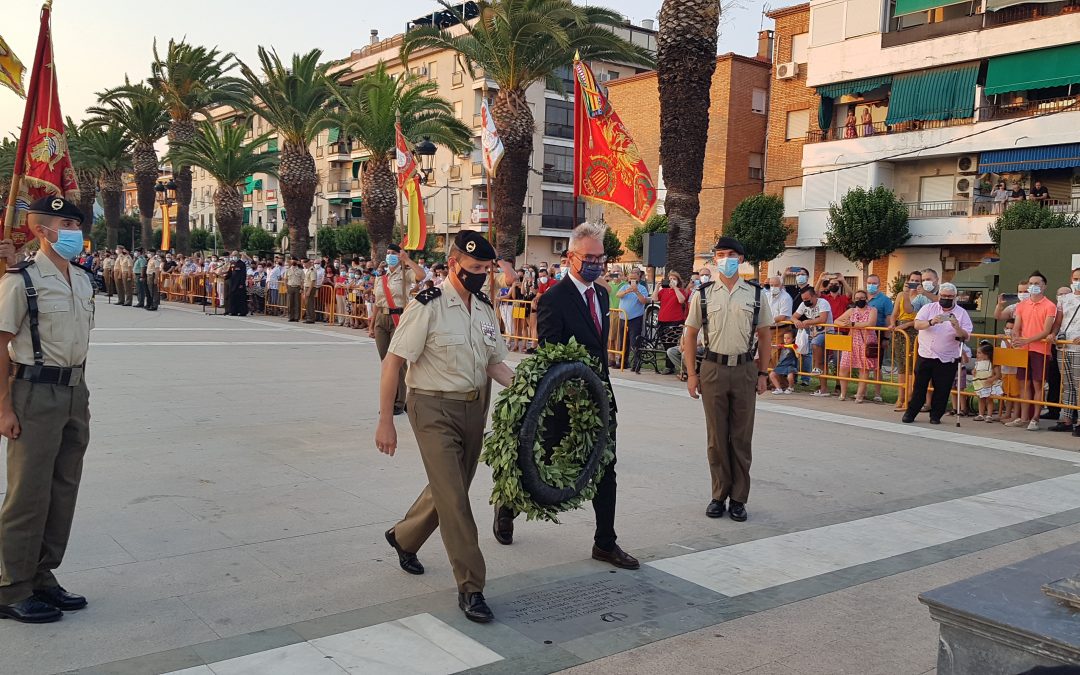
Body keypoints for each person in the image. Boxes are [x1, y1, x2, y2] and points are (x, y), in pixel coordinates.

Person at [376, 231, 514, 624]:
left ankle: (404, 537)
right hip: (432, 407)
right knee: (455, 498)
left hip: (475, 407)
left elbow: (494, 363)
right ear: (454, 264)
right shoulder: (427, 306)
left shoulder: (485, 308)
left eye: (487, 269)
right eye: (475, 269)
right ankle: (472, 587)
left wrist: (529, 391)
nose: (483, 275)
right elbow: (393, 362)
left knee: (450, 487)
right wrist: (386, 420)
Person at [493, 223, 640, 570]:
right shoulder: (554, 299)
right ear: (571, 257)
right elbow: (549, 353)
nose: (595, 263)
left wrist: (600, 390)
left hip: (600, 399)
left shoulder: (602, 294)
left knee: (606, 467)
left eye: (599, 257)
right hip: (564, 402)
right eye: (588, 257)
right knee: (539, 460)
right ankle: (506, 508)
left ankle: (605, 542)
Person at [0, 197, 95, 623]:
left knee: (62, 489)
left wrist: (80, 392)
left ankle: (42, 576)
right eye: (64, 222)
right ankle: (10, 587)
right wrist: (3, 406)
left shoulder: (80, 279)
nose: (74, 230)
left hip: (74, 392)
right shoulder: (20, 280)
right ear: (41, 229)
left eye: (77, 222)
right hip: (33, 393)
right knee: (28, 494)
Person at [684, 236, 772, 522]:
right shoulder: (704, 294)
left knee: (741, 437)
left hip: (745, 368)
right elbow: (691, 334)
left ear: (742, 259)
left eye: (732, 254)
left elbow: (766, 335)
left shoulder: (756, 294)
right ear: (715, 260)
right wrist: (692, 374)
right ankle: (718, 495)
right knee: (716, 438)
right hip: (713, 368)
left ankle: (738, 499)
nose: (726, 259)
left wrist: (763, 373)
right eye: (721, 254)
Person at [903, 283, 972, 424]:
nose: (946, 298)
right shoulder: (928, 308)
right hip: (926, 354)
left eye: (949, 296)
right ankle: (911, 413)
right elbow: (917, 324)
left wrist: (956, 326)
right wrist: (931, 321)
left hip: (947, 357)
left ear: (955, 297)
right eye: (943, 296)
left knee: (942, 388)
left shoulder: (961, 313)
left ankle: (935, 416)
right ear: (939, 295)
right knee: (919, 387)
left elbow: (965, 335)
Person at [372, 244, 423, 415]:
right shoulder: (381, 277)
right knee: (385, 362)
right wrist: (372, 324)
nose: (389, 256)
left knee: (397, 363)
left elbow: (421, 276)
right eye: (387, 253)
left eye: (393, 253)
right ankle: (392, 398)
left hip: (398, 318)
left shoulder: (405, 274)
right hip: (381, 319)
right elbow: (377, 303)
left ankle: (399, 401)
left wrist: (407, 260)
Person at [1008, 272, 1058, 431]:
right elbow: (1017, 326)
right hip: (1023, 349)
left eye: (1037, 283)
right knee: (1023, 384)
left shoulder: (1049, 305)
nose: (1033, 286)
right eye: (1031, 283)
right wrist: (1015, 336)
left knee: (1038, 385)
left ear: (1044, 286)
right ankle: (1023, 417)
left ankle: (1035, 418)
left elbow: (1046, 331)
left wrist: (1027, 340)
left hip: (1040, 350)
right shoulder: (1022, 305)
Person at [835, 289, 878, 403]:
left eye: (862, 298)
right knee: (844, 366)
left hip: (867, 341)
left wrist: (853, 324)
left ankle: (860, 395)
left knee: (864, 369)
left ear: (866, 298)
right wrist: (846, 324)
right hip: (852, 341)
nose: (860, 300)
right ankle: (843, 393)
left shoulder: (872, 310)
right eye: (857, 298)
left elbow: (870, 323)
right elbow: (837, 321)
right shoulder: (851, 311)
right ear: (854, 299)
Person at [792, 286, 832, 394]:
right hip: (813, 333)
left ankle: (816, 365)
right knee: (821, 361)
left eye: (807, 299)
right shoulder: (803, 304)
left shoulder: (823, 303)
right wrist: (796, 321)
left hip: (826, 332)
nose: (805, 301)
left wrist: (807, 322)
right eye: (803, 300)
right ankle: (823, 388)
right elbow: (794, 316)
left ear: (814, 296)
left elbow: (823, 319)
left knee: (815, 344)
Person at [1054, 268, 1080, 435]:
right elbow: (1058, 321)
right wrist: (1053, 334)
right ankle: (1066, 418)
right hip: (1063, 345)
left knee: (1079, 384)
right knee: (1067, 384)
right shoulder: (1064, 299)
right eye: (1076, 278)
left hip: (1078, 348)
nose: (1077, 281)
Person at [892, 271, 923, 411]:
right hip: (900, 330)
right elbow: (894, 314)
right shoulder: (901, 295)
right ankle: (900, 396)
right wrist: (893, 324)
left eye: (917, 281)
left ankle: (910, 396)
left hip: (913, 330)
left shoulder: (921, 297)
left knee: (912, 365)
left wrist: (907, 325)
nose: (914, 283)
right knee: (901, 364)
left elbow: (918, 318)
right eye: (912, 280)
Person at [865, 274, 894, 402]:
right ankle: (863, 391)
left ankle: (877, 393)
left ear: (879, 284)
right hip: (863, 334)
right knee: (863, 365)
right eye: (869, 282)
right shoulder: (863, 297)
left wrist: (886, 338)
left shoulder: (885, 300)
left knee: (877, 366)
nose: (871, 285)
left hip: (878, 333)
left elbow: (889, 319)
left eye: (874, 283)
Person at [653, 270, 689, 374]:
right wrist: (657, 287)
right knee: (665, 343)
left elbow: (681, 300)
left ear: (678, 280)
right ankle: (670, 366)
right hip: (662, 320)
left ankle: (669, 366)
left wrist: (675, 288)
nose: (672, 281)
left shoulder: (681, 291)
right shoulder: (663, 291)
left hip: (675, 320)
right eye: (670, 279)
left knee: (671, 343)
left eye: (674, 279)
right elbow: (654, 299)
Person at [617, 268, 650, 366]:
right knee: (623, 341)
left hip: (635, 318)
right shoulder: (624, 287)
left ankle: (636, 363)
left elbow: (644, 301)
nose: (632, 281)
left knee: (634, 341)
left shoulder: (642, 288)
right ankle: (623, 362)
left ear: (638, 279)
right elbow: (618, 295)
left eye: (634, 279)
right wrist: (627, 291)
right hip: (623, 318)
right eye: (631, 278)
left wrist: (636, 291)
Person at [972, 343, 1002, 422]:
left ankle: (989, 415)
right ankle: (981, 414)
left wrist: (991, 379)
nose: (977, 354)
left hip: (989, 384)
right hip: (980, 383)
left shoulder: (993, 364)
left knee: (989, 400)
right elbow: (975, 370)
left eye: (979, 353)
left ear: (986, 354)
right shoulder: (978, 362)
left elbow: (998, 375)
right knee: (981, 399)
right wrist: (974, 372)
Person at [770, 327, 798, 394]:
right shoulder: (783, 345)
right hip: (781, 364)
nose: (786, 340)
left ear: (793, 339)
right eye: (785, 338)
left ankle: (791, 387)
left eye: (788, 338)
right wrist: (772, 346)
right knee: (772, 375)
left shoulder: (794, 346)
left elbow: (797, 354)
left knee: (790, 377)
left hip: (790, 365)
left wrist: (795, 350)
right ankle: (778, 388)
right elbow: (776, 346)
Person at [284, 257, 303, 322]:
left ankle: (296, 317)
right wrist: (286, 288)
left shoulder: (300, 271)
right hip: (290, 287)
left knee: (297, 303)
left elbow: (302, 280)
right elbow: (285, 280)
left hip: (297, 287)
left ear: (297, 262)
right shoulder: (288, 270)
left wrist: (301, 288)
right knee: (290, 303)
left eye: (294, 260)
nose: (293, 261)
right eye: (292, 260)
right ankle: (290, 317)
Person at [302, 258, 318, 323]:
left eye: (305, 263)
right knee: (307, 303)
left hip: (310, 288)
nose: (304, 264)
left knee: (309, 303)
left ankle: (311, 318)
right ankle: (308, 317)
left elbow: (312, 281)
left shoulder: (312, 270)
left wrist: (309, 290)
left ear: (308, 263)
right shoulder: (308, 270)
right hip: (306, 287)